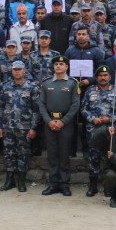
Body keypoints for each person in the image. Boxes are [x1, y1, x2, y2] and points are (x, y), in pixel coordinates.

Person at [37, 55, 80, 196]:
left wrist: (63, 121)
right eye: (56, 64)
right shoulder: (47, 83)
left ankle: (64, 184)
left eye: (61, 64)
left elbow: (75, 105)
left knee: (64, 154)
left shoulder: (72, 84)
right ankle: (53, 183)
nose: (58, 66)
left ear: (66, 67)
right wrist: (48, 120)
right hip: (50, 122)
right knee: (52, 154)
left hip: (65, 123)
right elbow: (41, 104)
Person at [0, 60, 39, 192]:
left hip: (24, 127)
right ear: (12, 71)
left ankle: (21, 181)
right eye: (15, 69)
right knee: (9, 154)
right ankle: (10, 180)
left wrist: (33, 128)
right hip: (8, 126)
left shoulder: (31, 87)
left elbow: (36, 110)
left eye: (19, 69)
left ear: (24, 70)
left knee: (23, 154)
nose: (17, 72)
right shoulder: (5, 86)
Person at [80, 65, 116, 197]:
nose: (103, 78)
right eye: (100, 76)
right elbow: (83, 109)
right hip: (93, 130)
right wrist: (92, 119)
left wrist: (110, 119)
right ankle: (93, 186)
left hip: (110, 130)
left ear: (110, 77)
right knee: (94, 158)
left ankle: (107, 187)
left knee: (108, 158)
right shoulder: (90, 91)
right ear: (97, 78)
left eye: (105, 75)